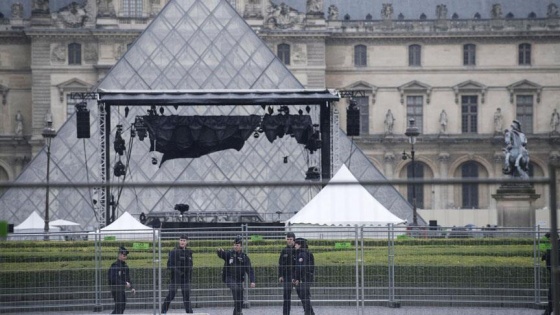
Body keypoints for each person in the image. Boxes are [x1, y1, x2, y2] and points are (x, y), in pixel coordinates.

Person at [217, 236, 256, 315]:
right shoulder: (229, 254)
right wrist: (219, 252)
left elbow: (249, 270)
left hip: (239, 280)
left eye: (237, 245)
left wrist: (252, 281)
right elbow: (223, 255)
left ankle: (238, 312)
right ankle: (239, 312)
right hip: (229, 278)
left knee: (240, 300)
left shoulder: (244, 257)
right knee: (236, 289)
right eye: (234, 245)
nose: (235, 246)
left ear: (241, 246)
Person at [161, 234, 194, 314]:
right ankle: (163, 310)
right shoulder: (173, 251)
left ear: (187, 242)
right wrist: (177, 271)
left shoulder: (189, 252)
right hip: (176, 277)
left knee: (186, 296)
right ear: (179, 241)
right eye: (181, 240)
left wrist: (189, 273)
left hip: (185, 277)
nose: (182, 242)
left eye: (184, 240)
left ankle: (189, 312)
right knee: (171, 295)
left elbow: (191, 264)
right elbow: (169, 265)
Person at [108, 246, 135, 314]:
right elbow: (113, 279)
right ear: (119, 255)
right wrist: (124, 283)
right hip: (115, 289)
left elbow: (127, 278)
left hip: (121, 289)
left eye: (126, 255)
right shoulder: (115, 266)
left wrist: (132, 287)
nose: (125, 256)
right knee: (119, 307)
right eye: (124, 255)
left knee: (122, 306)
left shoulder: (125, 266)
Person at [292, 238, 315, 315]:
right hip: (307, 277)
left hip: (304, 279)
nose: (294, 246)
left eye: (296, 244)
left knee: (304, 297)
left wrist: (297, 278)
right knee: (305, 297)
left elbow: (300, 267)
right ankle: (311, 312)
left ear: (300, 245)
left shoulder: (302, 254)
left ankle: (308, 312)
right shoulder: (307, 253)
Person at [278, 232, 297, 315]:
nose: (289, 241)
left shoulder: (297, 250)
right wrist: (280, 275)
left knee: (303, 296)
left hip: (297, 276)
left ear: (294, 240)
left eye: (291, 239)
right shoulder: (284, 250)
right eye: (288, 239)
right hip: (287, 276)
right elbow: (281, 264)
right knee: (286, 297)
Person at [541, 232, 559, 315]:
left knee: (552, 292)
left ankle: (549, 310)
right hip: (553, 272)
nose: (548, 241)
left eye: (549, 239)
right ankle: (549, 310)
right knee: (551, 293)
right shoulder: (551, 246)